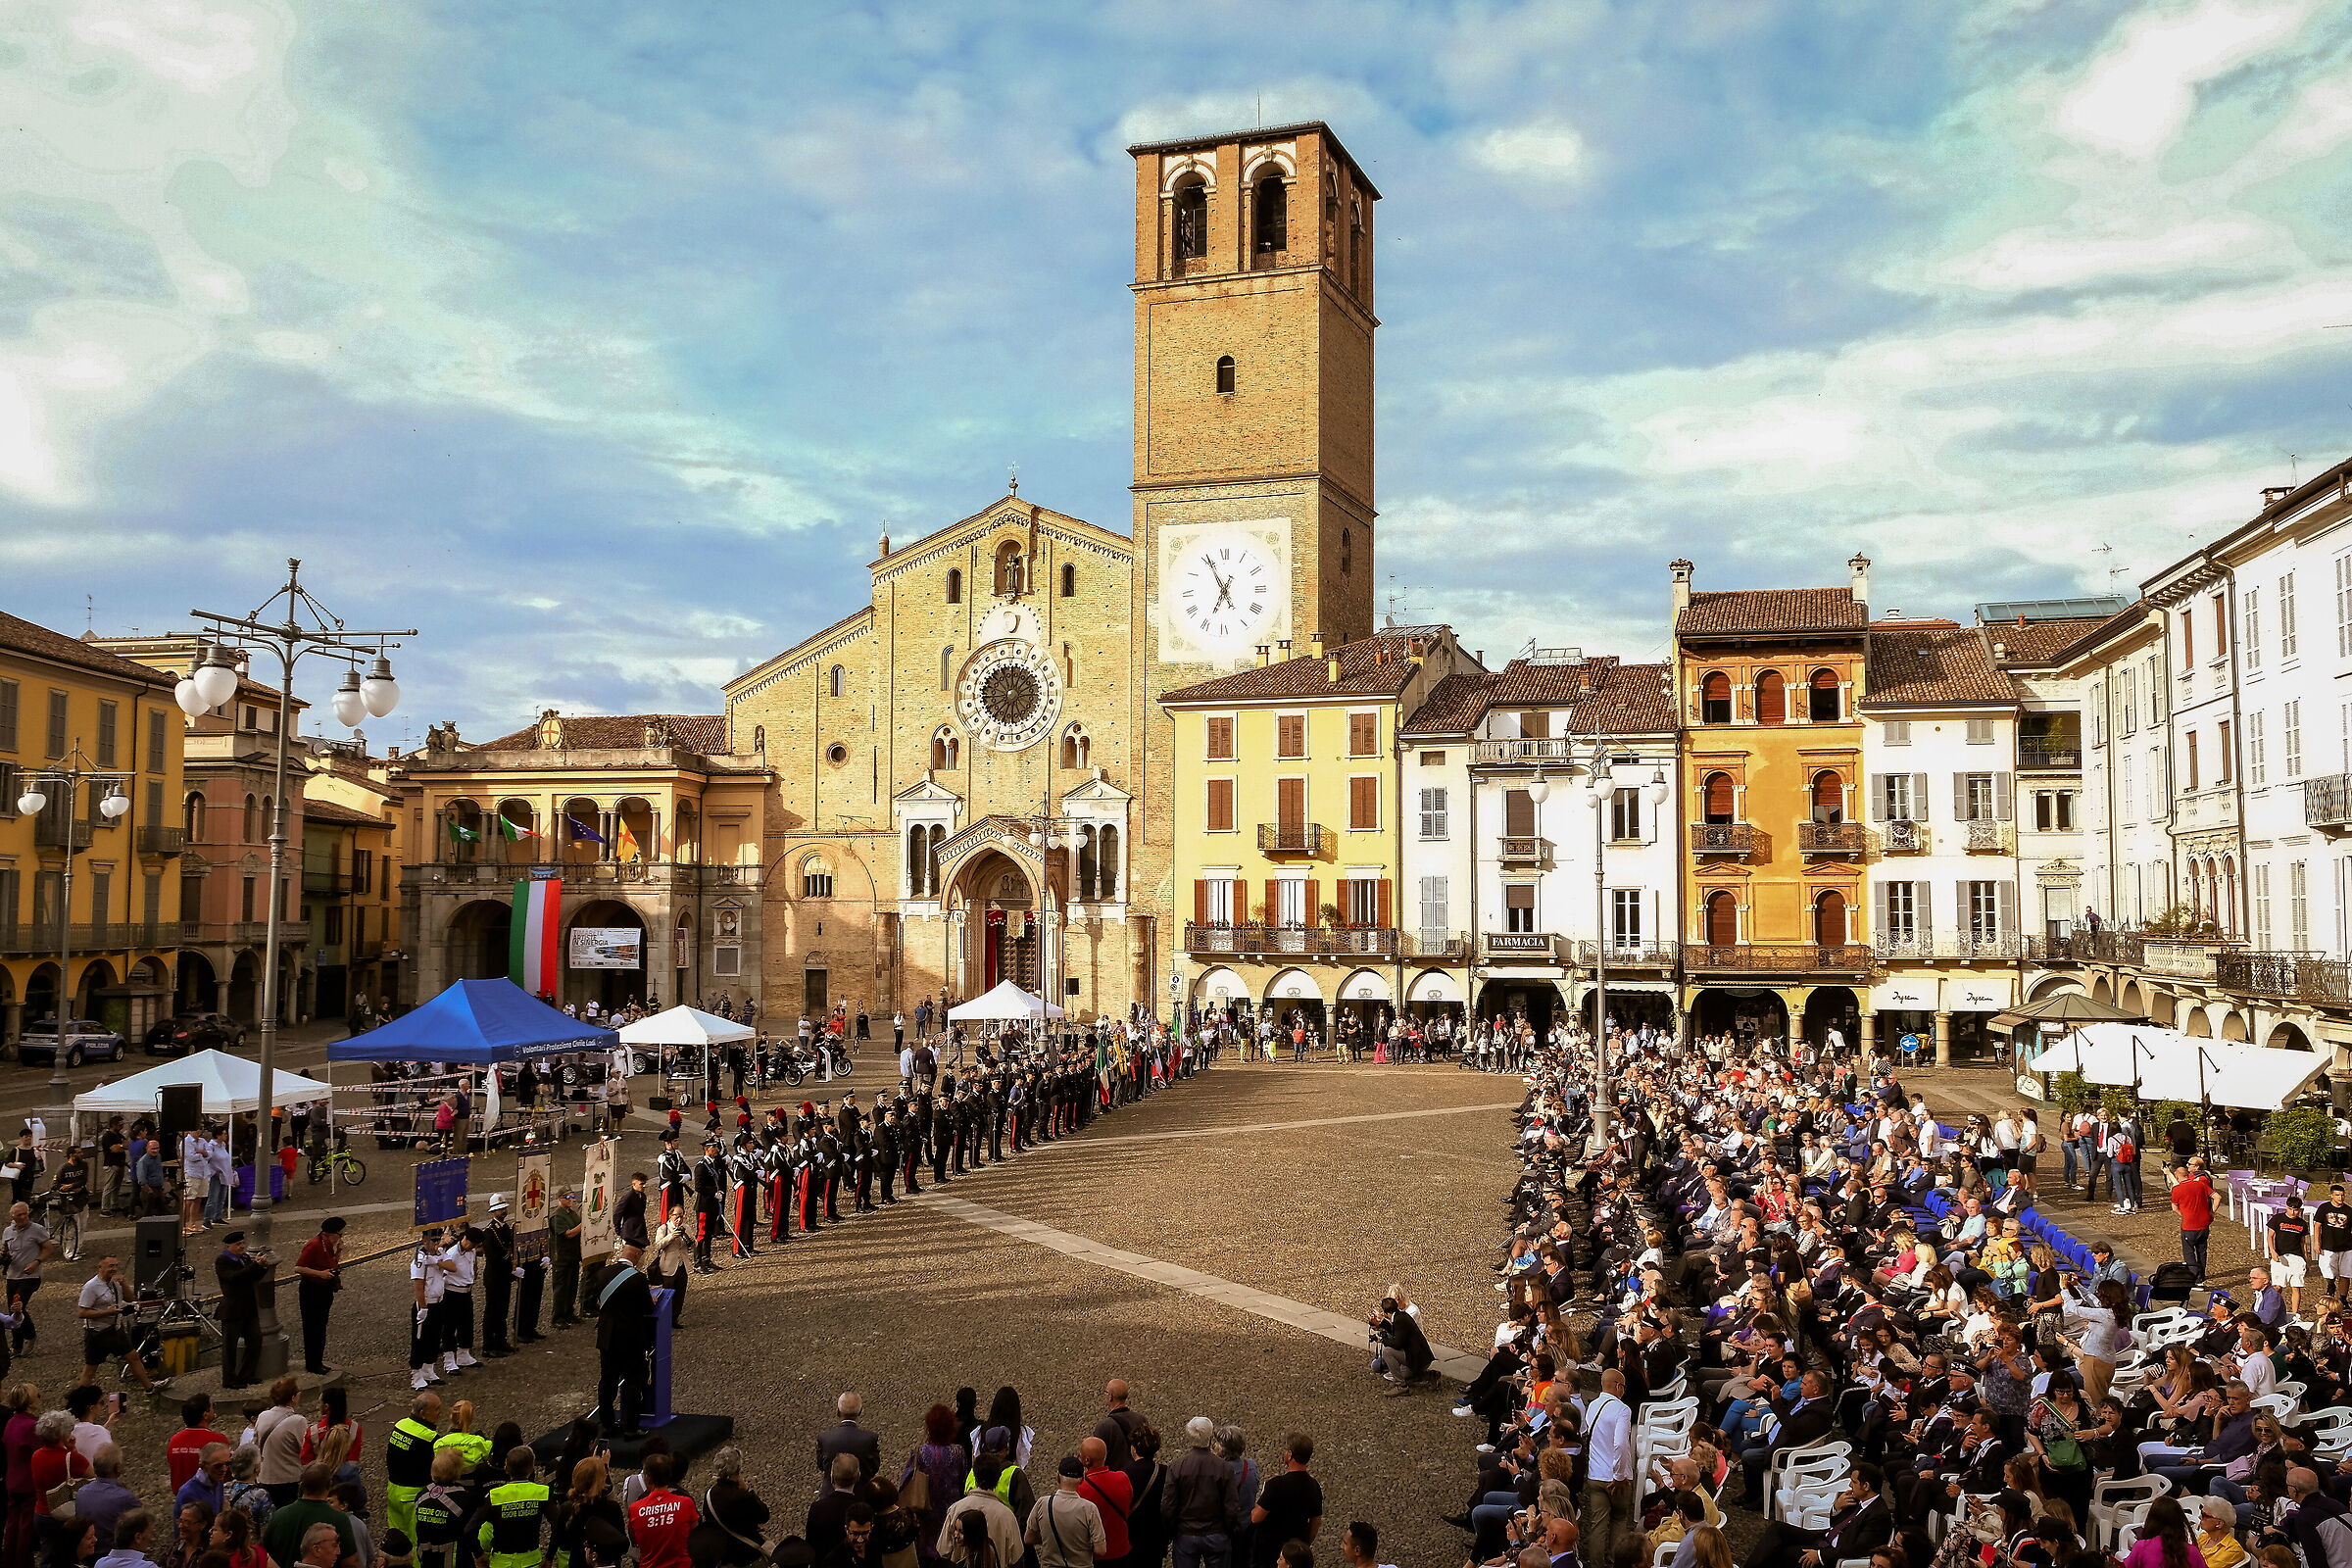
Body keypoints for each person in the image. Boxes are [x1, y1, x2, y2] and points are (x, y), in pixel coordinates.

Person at [77, 1258, 167, 1393]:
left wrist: (123, 1283)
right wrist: (108, 1312)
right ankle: (78, 1399)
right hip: (98, 1333)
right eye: (110, 1266)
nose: (114, 1269)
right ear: (100, 1267)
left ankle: (150, 1387)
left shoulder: (115, 1283)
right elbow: (82, 1312)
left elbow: (131, 1298)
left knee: (133, 1357)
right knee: (91, 1369)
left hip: (115, 1330)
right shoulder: (91, 1287)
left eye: (116, 1266)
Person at [592, 1245, 654, 1439]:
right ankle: (630, 1426)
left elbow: (595, 1300)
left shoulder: (602, 1273)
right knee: (632, 1381)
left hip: (607, 1335)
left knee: (607, 1380)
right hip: (630, 1337)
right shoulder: (638, 1278)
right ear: (636, 1255)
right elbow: (648, 1309)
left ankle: (607, 1424)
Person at [1161, 1418, 1236, 1568]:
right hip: (1216, 1532)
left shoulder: (1177, 1467)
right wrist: (1228, 1531)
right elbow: (1231, 1506)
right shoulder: (1224, 1468)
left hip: (1186, 1534)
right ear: (1210, 1437)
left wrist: (1171, 1531)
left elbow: (1168, 1506)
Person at [1246, 1436, 1317, 1568]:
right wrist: (1305, 1543)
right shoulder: (1314, 1485)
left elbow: (1256, 1517)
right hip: (1295, 1550)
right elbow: (1316, 1521)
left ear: (1290, 1455)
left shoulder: (1276, 1485)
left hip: (1269, 1550)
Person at [213, 1233, 271, 1392]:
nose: (242, 1247)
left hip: (248, 1308)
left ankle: (247, 1374)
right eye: (238, 1244)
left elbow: (254, 1277)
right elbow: (234, 1278)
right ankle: (229, 1378)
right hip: (233, 1309)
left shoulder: (245, 1258)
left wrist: (261, 1266)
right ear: (228, 1246)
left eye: (242, 1243)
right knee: (229, 1346)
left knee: (255, 1340)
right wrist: (254, 1266)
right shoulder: (223, 1261)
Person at [474, 1446, 549, 1568]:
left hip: (501, 1562)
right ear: (531, 1468)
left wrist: (479, 1554)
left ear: (506, 1469)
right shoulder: (543, 1492)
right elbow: (558, 1525)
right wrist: (550, 1556)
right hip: (531, 1561)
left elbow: (469, 1529)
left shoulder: (494, 1495)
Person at [1027, 1457, 1107, 1568]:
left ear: (1058, 1477)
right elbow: (1101, 1550)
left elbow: (1028, 1539)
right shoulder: (1089, 1508)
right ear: (1082, 1479)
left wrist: (1048, 1539)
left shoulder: (1043, 1503)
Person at [624, 1454, 698, 1568]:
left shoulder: (635, 1509)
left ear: (648, 1478)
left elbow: (634, 1540)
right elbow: (695, 1533)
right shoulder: (686, 1503)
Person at [292, 1219, 345, 1377]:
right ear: (331, 1234)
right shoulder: (314, 1245)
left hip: (324, 1289)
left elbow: (331, 1264)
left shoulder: (328, 1246)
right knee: (313, 1328)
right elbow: (298, 1267)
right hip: (312, 1289)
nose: (341, 1237)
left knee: (321, 1326)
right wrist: (320, 1274)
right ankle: (312, 1363)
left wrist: (338, 1253)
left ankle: (317, 1361)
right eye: (340, 1234)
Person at [4, 1200, 57, 1355]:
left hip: (30, 1277)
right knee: (12, 1310)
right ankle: (17, 1347)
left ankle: (30, 1336)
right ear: (13, 1216)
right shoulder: (7, 1231)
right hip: (12, 1276)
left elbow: (48, 1248)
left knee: (18, 1306)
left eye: (25, 1213)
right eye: (19, 1214)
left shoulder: (37, 1230)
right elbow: (5, 1249)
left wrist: (37, 1262)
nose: (23, 1217)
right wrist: (4, 1255)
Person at [168, 1396, 229, 1493]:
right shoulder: (218, 1440)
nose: (214, 1409)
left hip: (182, 1497)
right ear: (205, 1415)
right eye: (212, 1407)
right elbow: (227, 1472)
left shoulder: (174, 1441)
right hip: (209, 1496)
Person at [548, 1193, 583, 1330]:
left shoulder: (572, 1214)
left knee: (572, 1286)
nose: (571, 1200)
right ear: (560, 1199)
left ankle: (569, 1312)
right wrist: (583, 1225)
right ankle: (558, 1316)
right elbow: (568, 1233)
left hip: (573, 1255)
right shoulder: (557, 1216)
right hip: (561, 1257)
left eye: (572, 1197)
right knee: (560, 1288)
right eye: (567, 1198)